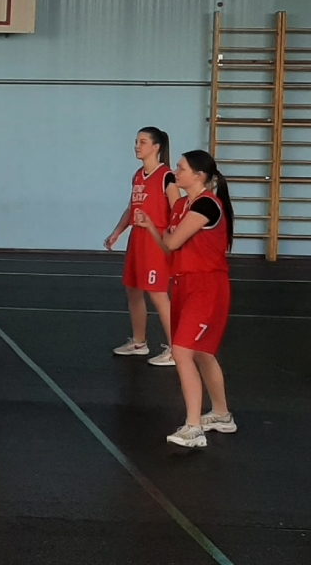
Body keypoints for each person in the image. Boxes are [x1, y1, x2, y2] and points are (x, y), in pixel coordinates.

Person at [134, 150, 235, 449]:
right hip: (184, 284)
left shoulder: (206, 204)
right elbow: (169, 247)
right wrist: (152, 227)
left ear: (198, 175)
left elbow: (174, 240)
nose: (175, 172)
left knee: (181, 351)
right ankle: (221, 414)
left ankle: (193, 427)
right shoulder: (181, 205)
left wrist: (165, 233)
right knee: (201, 353)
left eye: (181, 168)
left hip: (206, 286)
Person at [104, 127, 180, 366]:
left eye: (143, 142)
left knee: (158, 294)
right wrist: (117, 232)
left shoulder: (167, 176)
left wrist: (173, 240)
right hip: (136, 238)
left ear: (156, 147)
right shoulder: (138, 175)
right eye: (136, 141)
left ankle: (176, 349)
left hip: (155, 240)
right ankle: (139, 342)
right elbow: (131, 208)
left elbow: (178, 210)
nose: (137, 146)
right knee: (133, 289)